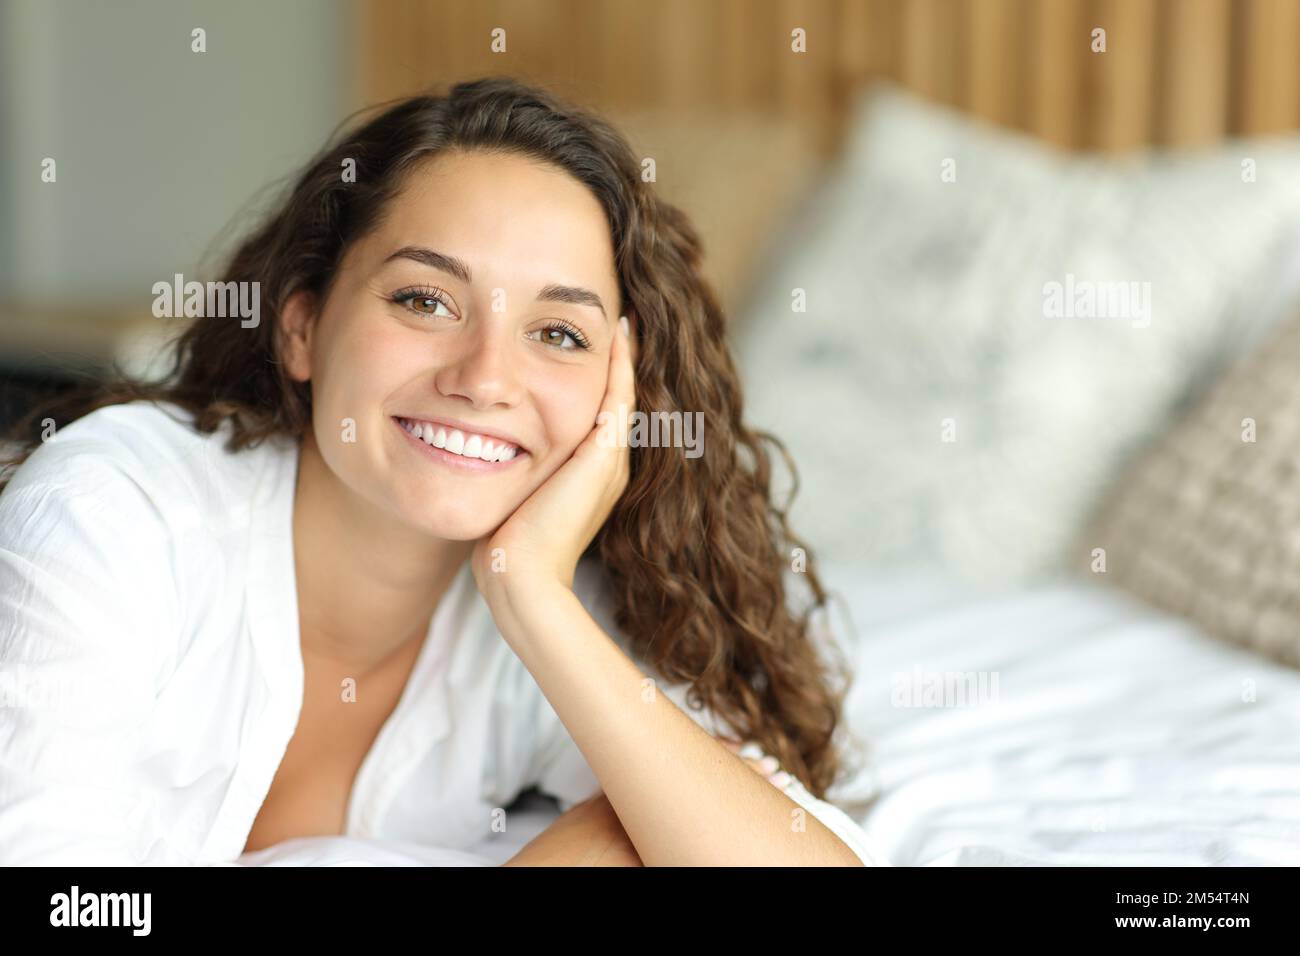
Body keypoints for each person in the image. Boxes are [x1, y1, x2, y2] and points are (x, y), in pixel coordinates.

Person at [0, 76, 885, 866]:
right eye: (425, 300)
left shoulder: (562, 605)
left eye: (558, 334)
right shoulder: (111, 517)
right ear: (302, 327)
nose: (485, 379)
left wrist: (531, 596)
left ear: (618, 396)